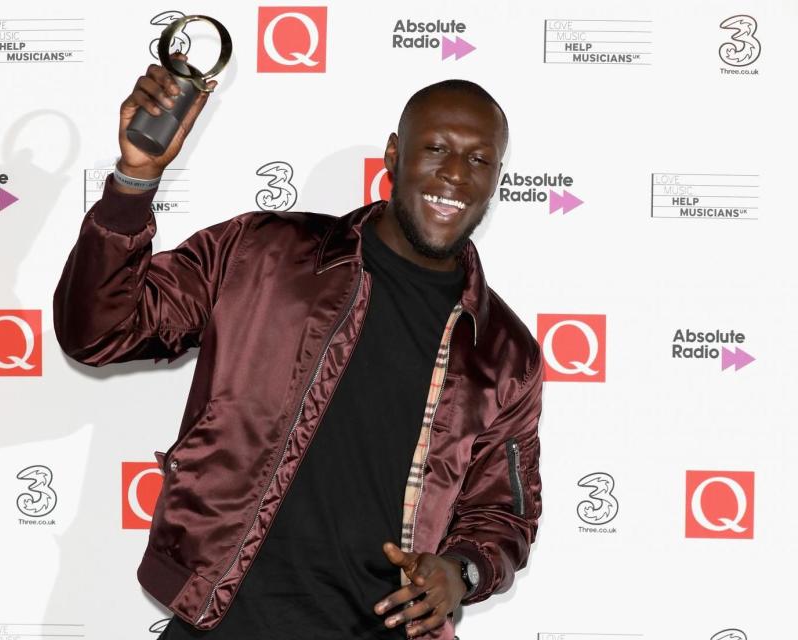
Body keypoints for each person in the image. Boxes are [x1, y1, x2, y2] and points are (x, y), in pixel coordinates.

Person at [53, 56, 544, 640]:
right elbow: (100, 331)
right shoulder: (262, 253)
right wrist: (133, 184)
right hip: (225, 622)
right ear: (394, 155)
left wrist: (459, 572)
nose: (456, 174)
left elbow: (502, 514)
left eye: (480, 159)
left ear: (496, 179)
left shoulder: (503, 352)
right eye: (436, 148)